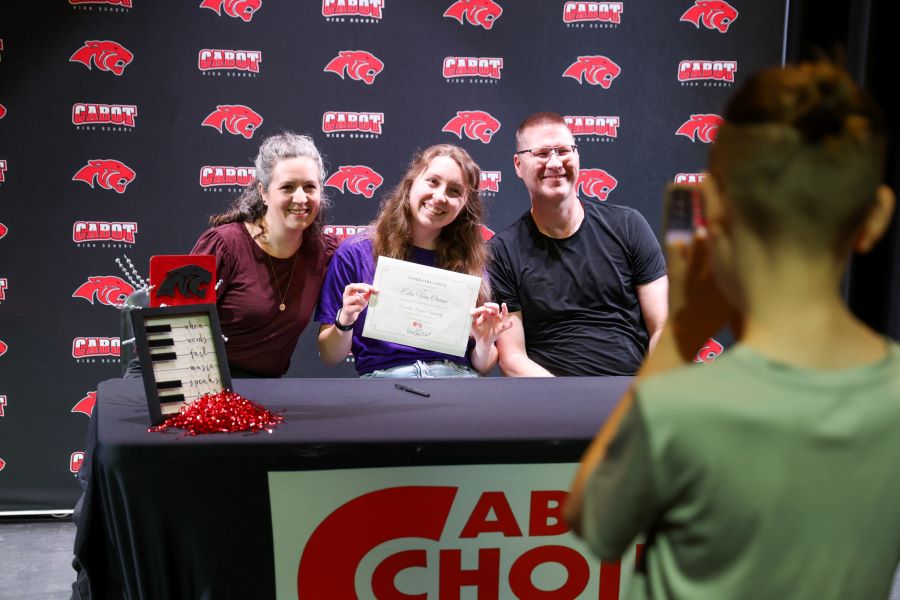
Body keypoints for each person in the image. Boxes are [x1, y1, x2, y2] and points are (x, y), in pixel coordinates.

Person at [565, 63, 900, 599]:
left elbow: (591, 518)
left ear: (713, 205)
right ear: (877, 216)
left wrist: (681, 332)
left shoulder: (680, 406)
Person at [489, 112, 668, 376]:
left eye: (563, 151)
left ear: (577, 156)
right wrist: (567, 400)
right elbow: (513, 358)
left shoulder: (628, 225)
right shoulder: (502, 251)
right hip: (553, 402)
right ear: (518, 165)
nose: (555, 162)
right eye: (541, 153)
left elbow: (663, 326)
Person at [316, 144, 511, 377]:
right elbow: (330, 355)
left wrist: (484, 342)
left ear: (465, 204)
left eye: (455, 191)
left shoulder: (471, 261)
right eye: (432, 181)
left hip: (457, 380)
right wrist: (345, 320)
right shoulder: (355, 252)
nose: (440, 197)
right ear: (411, 183)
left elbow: (483, 364)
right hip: (385, 381)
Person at [190, 132, 338, 377]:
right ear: (264, 192)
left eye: (310, 187)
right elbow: (176, 327)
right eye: (288, 187)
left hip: (267, 388)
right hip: (205, 381)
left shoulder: (325, 252)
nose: (301, 198)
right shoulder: (223, 245)